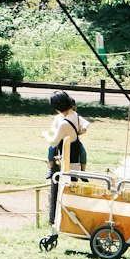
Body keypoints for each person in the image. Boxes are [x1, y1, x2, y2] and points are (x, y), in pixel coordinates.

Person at [44, 90, 89, 222]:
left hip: (66, 154)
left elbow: (54, 141)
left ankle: (62, 219)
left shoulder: (64, 122)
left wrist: (45, 135)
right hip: (74, 152)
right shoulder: (74, 115)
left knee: (66, 187)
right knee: (72, 184)